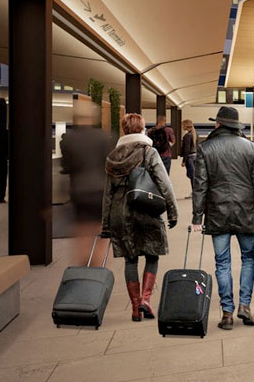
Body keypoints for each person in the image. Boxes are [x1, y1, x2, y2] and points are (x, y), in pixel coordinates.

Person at [192, 106, 254, 331]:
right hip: (245, 212)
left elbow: (200, 186)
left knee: (222, 262)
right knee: (249, 259)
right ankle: (244, 305)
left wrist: (197, 217)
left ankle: (227, 312)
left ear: (219, 124)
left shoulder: (205, 148)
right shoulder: (251, 148)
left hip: (217, 213)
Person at [102, 113, 179, 322]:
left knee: (130, 260)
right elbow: (164, 182)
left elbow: (108, 193)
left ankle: (136, 308)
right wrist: (172, 211)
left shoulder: (113, 156)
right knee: (152, 255)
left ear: (124, 130)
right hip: (146, 208)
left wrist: (106, 224)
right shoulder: (148, 152)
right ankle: (146, 300)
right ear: (142, 129)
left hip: (120, 213)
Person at [60, 99, 116, 265]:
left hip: (79, 191)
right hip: (100, 191)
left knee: (83, 231)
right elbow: (111, 166)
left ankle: (84, 266)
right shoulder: (104, 137)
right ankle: (98, 266)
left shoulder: (69, 139)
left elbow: (66, 167)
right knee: (101, 232)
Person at [179, 120, 198, 187]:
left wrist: (184, 161)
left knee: (191, 175)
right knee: (194, 175)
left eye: (182, 125)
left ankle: (194, 190)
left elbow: (186, 149)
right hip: (195, 156)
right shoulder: (195, 134)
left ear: (185, 126)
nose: (181, 126)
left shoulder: (187, 136)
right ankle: (195, 189)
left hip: (189, 157)